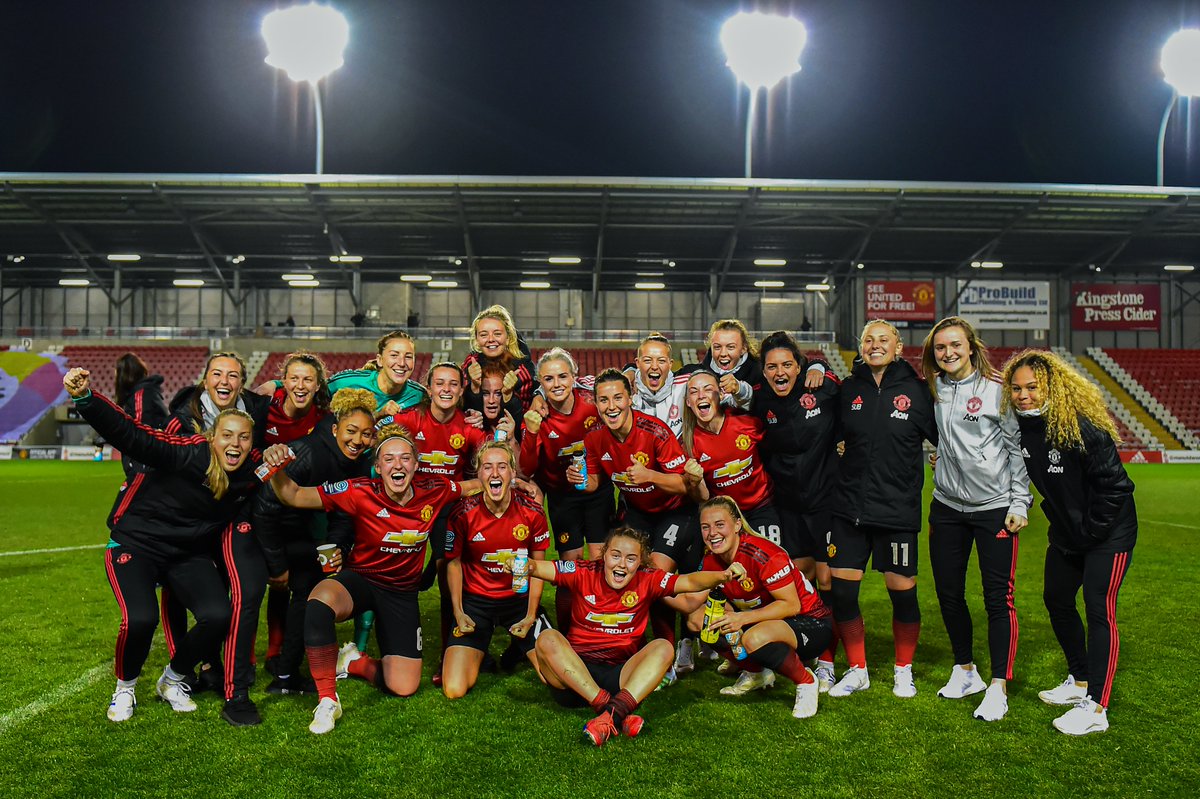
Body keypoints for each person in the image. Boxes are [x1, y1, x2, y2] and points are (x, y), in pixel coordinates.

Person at [63, 367, 254, 725]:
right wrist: (87, 399)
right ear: (212, 438)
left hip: (185, 554)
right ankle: (125, 687)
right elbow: (135, 436)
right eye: (227, 435)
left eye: (244, 438)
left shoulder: (249, 473)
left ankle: (173, 679)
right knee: (141, 618)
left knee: (218, 615)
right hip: (137, 542)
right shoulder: (190, 452)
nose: (235, 444)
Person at [263, 424, 464, 734]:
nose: (398, 465)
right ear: (378, 466)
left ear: (416, 463)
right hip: (363, 580)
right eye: (389, 459)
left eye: (405, 458)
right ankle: (328, 700)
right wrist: (276, 468)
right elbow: (295, 495)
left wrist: (515, 482)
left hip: (402, 593)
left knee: (403, 686)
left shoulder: (436, 490)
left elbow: (474, 485)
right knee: (319, 601)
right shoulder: (358, 490)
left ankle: (354, 662)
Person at [1003, 349, 1136, 736]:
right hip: (1067, 533)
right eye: (1016, 388)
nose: (1023, 395)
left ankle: (1096, 707)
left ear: (1052, 386)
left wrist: (1091, 534)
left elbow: (1116, 488)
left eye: (1032, 387)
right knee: (1056, 599)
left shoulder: (1083, 426)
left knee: (1099, 609)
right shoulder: (1025, 427)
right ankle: (1079, 679)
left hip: (1108, 534)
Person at [523, 526, 746, 746]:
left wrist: (723, 576)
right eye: (616, 555)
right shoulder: (584, 571)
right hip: (573, 678)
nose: (621, 564)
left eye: (631, 558)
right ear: (604, 555)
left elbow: (688, 582)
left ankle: (609, 714)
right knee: (547, 637)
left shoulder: (648, 578)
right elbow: (538, 567)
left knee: (664, 647)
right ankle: (616, 711)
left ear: (640, 562)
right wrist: (524, 564)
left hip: (619, 677)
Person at [920, 318, 1031, 722]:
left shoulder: (996, 391)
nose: (947, 353)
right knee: (948, 593)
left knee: (997, 599)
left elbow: (1016, 450)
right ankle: (965, 670)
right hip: (946, 505)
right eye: (939, 348)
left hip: (994, 508)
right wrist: (941, 459)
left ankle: (998, 686)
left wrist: (1020, 503)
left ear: (971, 347)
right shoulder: (933, 389)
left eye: (955, 345)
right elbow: (945, 440)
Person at [827, 320, 937, 699]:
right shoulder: (849, 389)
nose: (875, 346)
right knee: (842, 595)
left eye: (883, 340)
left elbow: (945, 439)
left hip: (896, 510)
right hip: (849, 508)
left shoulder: (919, 392)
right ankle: (857, 670)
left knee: (902, 593)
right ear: (860, 347)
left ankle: (902, 670)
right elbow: (834, 435)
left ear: (898, 346)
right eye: (868, 340)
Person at [161, 351, 271, 718]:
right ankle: (196, 668)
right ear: (204, 378)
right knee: (179, 592)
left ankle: (236, 686)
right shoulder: (182, 418)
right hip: (191, 520)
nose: (225, 382)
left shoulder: (258, 407)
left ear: (243, 382)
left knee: (245, 591)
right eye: (217, 374)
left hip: (235, 513)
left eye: (233, 376)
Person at [253, 388, 376, 697]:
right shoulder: (304, 453)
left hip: (306, 540)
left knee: (310, 592)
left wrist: (337, 548)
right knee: (300, 592)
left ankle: (285, 673)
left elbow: (346, 514)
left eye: (366, 434)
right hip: (269, 536)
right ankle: (277, 674)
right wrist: (277, 565)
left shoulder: (359, 462)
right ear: (335, 429)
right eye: (351, 431)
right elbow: (264, 508)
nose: (357, 440)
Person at [576, 368, 693, 687]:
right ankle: (638, 648)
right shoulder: (594, 438)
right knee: (632, 574)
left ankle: (676, 646)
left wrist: (651, 476)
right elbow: (597, 480)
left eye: (617, 397)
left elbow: (685, 484)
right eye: (603, 400)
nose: (611, 406)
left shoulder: (655, 431)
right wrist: (582, 481)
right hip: (638, 513)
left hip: (674, 513)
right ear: (596, 404)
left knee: (655, 576)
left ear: (630, 398)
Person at [677, 497, 833, 719]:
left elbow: (791, 605)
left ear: (737, 525)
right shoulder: (712, 559)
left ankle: (806, 681)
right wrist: (652, 585)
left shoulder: (764, 554)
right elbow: (691, 601)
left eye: (719, 524)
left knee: (752, 637)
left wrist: (741, 620)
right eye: (705, 527)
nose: (712, 532)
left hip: (811, 622)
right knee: (698, 619)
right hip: (768, 622)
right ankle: (756, 672)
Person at [750, 331, 842, 691]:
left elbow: (853, 392)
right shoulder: (758, 398)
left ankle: (829, 662)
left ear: (800, 366)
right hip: (786, 506)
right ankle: (810, 650)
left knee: (829, 581)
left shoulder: (823, 386)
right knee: (800, 586)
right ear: (764, 371)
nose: (779, 371)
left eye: (787, 364)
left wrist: (820, 364)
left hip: (827, 503)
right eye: (772, 366)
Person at [442, 442, 551, 699]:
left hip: (518, 601)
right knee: (454, 689)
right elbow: (454, 564)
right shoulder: (462, 514)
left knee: (552, 677)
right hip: (477, 604)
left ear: (513, 474)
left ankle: (520, 646)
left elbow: (538, 568)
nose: (494, 473)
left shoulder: (532, 512)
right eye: (487, 467)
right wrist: (458, 612)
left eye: (502, 466)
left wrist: (530, 615)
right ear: (478, 475)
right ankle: (482, 650)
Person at [520, 348, 611, 630]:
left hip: (598, 493)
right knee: (570, 567)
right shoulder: (537, 416)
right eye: (548, 379)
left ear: (574, 377)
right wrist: (533, 431)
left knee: (600, 563)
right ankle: (568, 633)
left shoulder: (593, 404)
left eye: (562, 376)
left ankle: (601, 627)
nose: (557, 384)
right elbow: (526, 467)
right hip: (562, 499)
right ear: (541, 383)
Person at [327, 330, 429, 419]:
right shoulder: (346, 382)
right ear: (380, 360)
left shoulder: (419, 395)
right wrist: (379, 414)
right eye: (394, 355)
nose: (402, 363)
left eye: (408, 357)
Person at [462, 305, 536, 412]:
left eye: (497, 334)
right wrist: (474, 387)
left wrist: (509, 395)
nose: (491, 339)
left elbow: (526, 413)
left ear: (508, 338)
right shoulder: (470, 364)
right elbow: (464, 409)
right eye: (484, 335)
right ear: (477, 340)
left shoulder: (522, 369)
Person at [113, 352, 168, 479]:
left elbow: (140, 432)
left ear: (125, 374)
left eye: (117, 372)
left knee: (129, 499)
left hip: (144, 467)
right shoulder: (145, 392)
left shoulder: (141, 395)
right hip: (151, 462)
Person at [626, 333, 688, 438]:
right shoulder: (626, 396)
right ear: (637, 363)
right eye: (647, 360)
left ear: (670, 364)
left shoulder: (685, 388)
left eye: (661, 361)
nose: (654, 366)